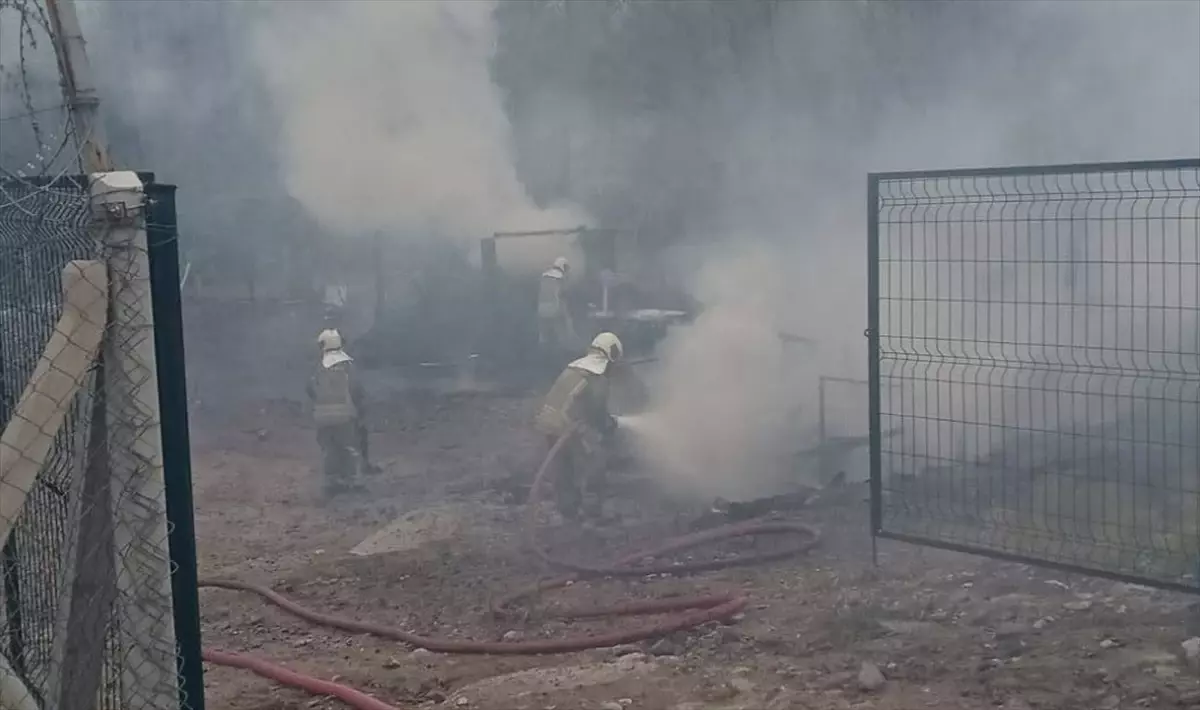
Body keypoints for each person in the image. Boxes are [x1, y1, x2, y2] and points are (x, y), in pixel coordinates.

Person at [533, 332, 623, 520]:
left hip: (548, 421)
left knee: (564, 466)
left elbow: (575, 403)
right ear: (612, 356)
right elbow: (597, 412)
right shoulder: (597, 377)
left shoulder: (573, 368)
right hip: (566, 425)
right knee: (595, 460)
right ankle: (593, 510)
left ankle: (568, 509)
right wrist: (608, 427)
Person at [307, 328, 368, 496]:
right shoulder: (347, 366)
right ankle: (354, 480)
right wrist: (360, 410)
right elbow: (357, 390)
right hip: (344, 416)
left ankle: (331, 481)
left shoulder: (317, 367)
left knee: (329, 449)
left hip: (322, 418)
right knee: (350, 448)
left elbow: (310, 389)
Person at [537, 256, 577, 361]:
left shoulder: (544, 276)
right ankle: (563, 356)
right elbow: (563, 294)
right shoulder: (560, 278)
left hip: (541, 308)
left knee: (544, 334)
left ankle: (541, 356)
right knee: (561, 331)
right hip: (555, 308)